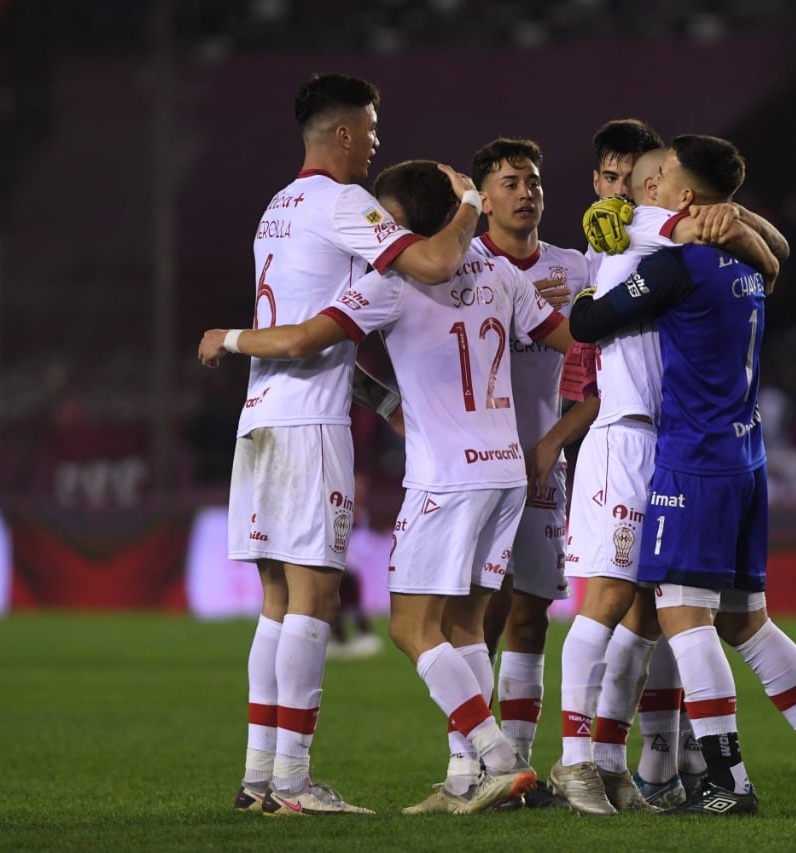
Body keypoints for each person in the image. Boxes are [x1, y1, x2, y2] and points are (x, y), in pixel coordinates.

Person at [202, 159, 575, 815]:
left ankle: (497, 755)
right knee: (466, 625)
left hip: (445, 477)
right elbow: (566, 337)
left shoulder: (391, 283)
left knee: (409, 627)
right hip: (505, 472)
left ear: (400, 222)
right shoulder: (505, 274)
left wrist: (226, 337)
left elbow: (302, 341)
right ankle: (465, 776)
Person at [569, 134, 796, 814]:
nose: (651, 185)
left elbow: (589, 321)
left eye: (665, 174)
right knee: (746, 621)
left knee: (684, 618)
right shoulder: (746, 266)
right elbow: (770, 252)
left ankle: (727, 779)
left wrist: (613, 256)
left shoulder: (678, 267)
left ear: (684, 196)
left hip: (694, 460)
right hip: (747, 456)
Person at [222, 72, 482, 817]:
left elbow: (324, 330)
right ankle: (294, 782)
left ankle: (260, 776)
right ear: (341, 133)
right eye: (370, 127)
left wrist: (385, 399)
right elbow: (432, 264)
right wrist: (466, 206)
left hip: (262, 415)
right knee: (316, 599)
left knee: (277, 602)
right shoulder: (344, 203)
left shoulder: (277, 209)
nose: (376, 140)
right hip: (309, 427)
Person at [550, 127, 782, 815]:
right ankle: (576, 762)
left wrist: (732, 216)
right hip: (626, 437)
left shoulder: (669, 234)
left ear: (658, 181)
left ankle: (625, 761)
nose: (623, 189)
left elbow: (774, 254)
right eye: (610, 176)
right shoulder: (633, 237)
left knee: (655, 617)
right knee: (608, 599)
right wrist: (725, 220)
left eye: (636, 175)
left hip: (675, 445)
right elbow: (586, 322)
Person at [458, 139, 591, 794]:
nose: (525, 191)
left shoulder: (575, 267)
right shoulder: (458, 264)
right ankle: (472, 758)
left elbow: (604, 372)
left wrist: (553, 442)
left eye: (533, 180)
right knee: (479, 614)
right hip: (475, 466)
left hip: (542, 463)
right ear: (483, 199)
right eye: (509, 182)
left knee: (531, 614)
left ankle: (519, 763)